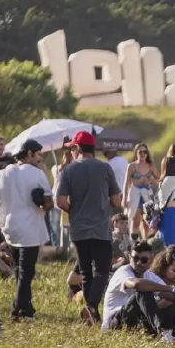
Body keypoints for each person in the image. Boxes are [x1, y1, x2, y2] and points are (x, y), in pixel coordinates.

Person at [0, 139, 53, 321]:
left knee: (19, 270)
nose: (40, 157)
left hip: (10, 227)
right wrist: (41, 202)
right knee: (27, 271)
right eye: (38, 153)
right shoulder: (38, 174)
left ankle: (26, 307)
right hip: (29, 228)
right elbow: (49, 204)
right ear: (29, 153)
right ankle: (18, 310)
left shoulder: (4, 173)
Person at [55, 131, 121, 325]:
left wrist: (75, 211)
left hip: (79, 228)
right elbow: (116, 199)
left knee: (86, 271)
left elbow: (60, 201)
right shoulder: (105, 168)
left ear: (76, 149)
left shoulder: (69, 170)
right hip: (101, 227)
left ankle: (93, 312)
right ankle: (91, 306)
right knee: (102, 269)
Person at [101, 241, 175, 342]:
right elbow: (137, 285)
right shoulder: (123, 272)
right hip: (115, 324)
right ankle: (164, 332)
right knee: (142, 293)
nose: (138, 263)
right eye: (135, 258)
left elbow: (170, 296)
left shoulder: (149, 276)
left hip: (136, 321)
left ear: (150, 260)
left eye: (144, 260)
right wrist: (172, 288)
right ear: (130, 257)